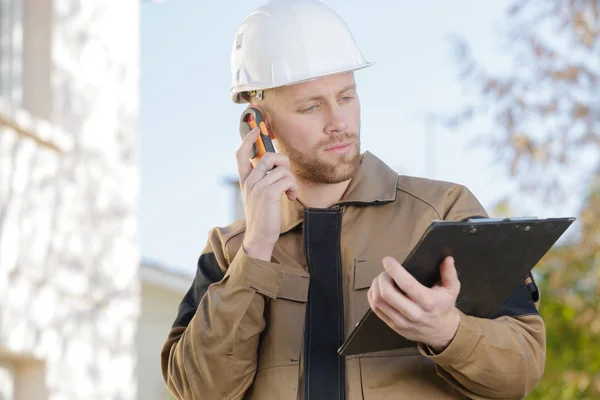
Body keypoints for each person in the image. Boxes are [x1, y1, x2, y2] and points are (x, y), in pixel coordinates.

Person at [160, 1, 546, 399]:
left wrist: (447, 331)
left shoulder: (444, 212)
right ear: (260, 126)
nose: (339, 123)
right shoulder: (229, 253)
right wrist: (257, 251)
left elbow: (523, 369)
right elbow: (199, 391)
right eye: (311, 106)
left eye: (346, 97)